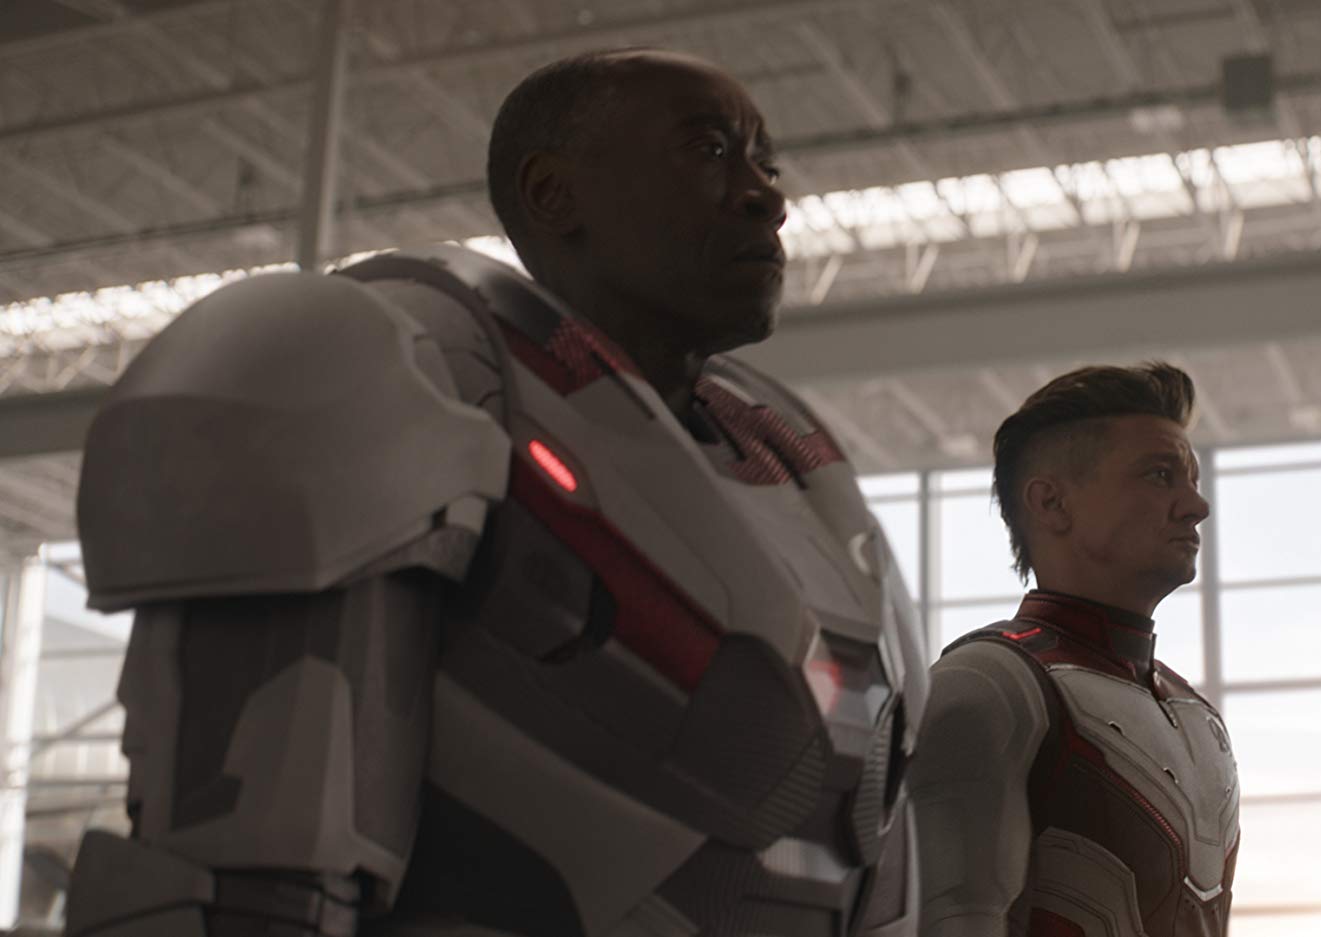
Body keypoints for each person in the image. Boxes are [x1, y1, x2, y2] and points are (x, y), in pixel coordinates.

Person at [63, 49, 927, 937]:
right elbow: (251, 885)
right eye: (709, 151)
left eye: (765, 164)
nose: (765, 197)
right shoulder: (399, 368)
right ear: (552, 195)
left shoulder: (792, 458)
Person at [911, 363, 1239, 937]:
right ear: (1051, 503)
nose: (1196, 505)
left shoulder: (1197, 717)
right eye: (1160, 475)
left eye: (1190, 479)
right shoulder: (988, 687)